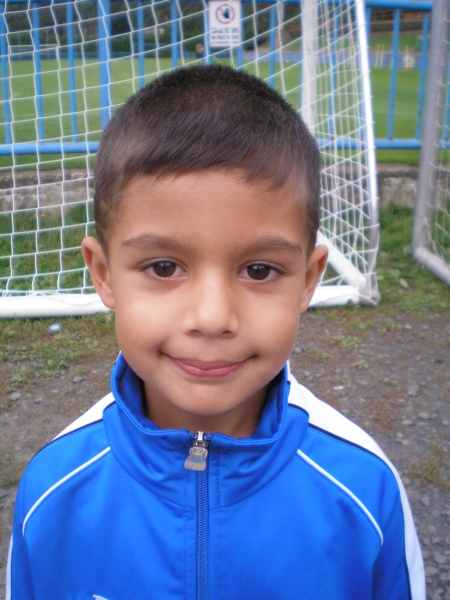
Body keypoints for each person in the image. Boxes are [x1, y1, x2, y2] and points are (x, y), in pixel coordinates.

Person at [7, 65, 425, 599]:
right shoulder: (53, 490)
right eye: (163, 267)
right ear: (104, 274)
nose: (211, 317)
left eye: (259, 270)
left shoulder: (364, 489)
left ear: (308, 280)